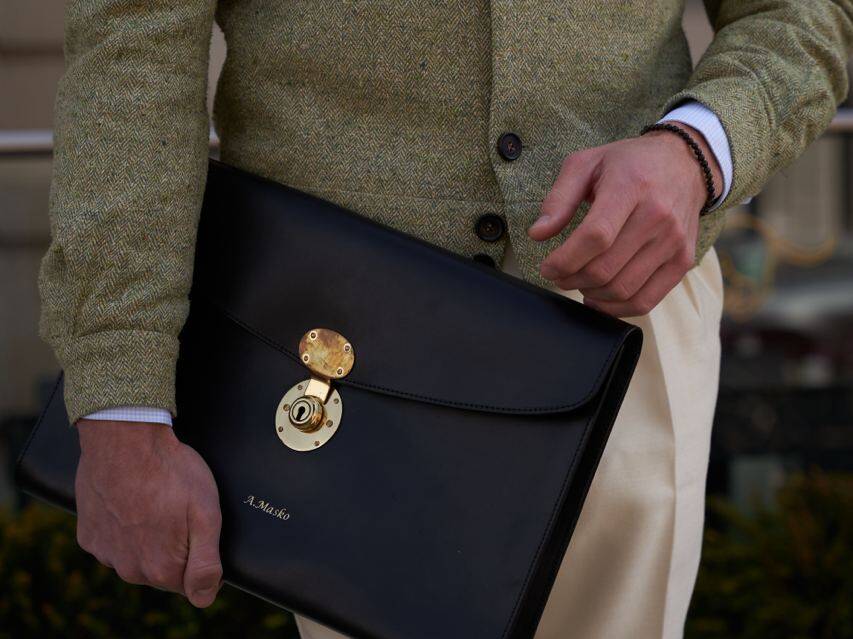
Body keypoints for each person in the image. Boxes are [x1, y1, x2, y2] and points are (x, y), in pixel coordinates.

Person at [40, 2, 852, 637]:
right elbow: (131, 53)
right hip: (335, 353)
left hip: (622, 315)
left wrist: (697, 150)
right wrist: (122, 396)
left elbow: (801, 12)